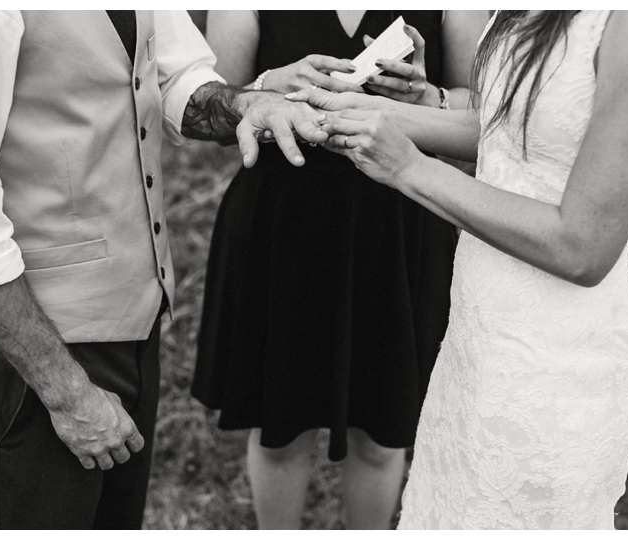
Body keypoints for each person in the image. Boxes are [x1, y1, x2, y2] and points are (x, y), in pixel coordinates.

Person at [287, 10, 628, 529]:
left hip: (554, 369)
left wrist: (409, 168)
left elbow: (582, 247)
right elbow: (511, 133)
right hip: (477, 339)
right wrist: (359, 110)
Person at [0, 10, 327, 530]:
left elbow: (176, 77)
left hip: (134, 321)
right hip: (36, 349)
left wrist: (244, 102)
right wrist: (67, 393)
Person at [191, 10, 489, 529]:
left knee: (380, 433)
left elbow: (483, 111)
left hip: (399, 222)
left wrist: (426, 96)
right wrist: (266, 90)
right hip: (283, 223)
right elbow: (217, 106)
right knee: (280, 429)